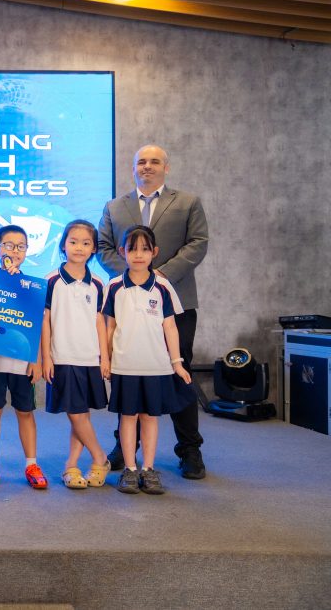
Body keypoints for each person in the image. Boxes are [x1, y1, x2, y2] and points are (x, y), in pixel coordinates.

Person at [98, 144, 209, 479]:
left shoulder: (188, 202)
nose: (147, 166)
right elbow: (103, 247)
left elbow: (198, 243)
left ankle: (189, 449)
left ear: (166, 167)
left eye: (155, 161)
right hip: (128, 303)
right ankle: (125, 449)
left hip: (176, 300)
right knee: (130, 372)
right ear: (133, 167)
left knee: (179, 371)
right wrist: (135, 276)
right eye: (141, 162)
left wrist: (159, 275)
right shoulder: (115, 206)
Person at [104, 226, 195, 495]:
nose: (139, 254)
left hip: (156, 366)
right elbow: (109, 327)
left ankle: (148, 468)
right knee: (128, 417)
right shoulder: (113, 287)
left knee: (150, 418)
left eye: (145, 249)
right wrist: (105, 359)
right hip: (124, 366)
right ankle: (130, 469)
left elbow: (171, 328)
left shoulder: (163, 286)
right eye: (132, 249)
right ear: (122, 252)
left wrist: (176, 362)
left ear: (154, 252)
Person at [41, 220, 111, 490]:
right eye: (73, 242)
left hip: (89, 357)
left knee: (81, 414)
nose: (79, 247)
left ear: (94, 248)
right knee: (75, 413)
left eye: (85, 243)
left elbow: (99, 321)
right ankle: (99, 457)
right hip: (63, 356)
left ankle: (72, 465)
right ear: (63, 245)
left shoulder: (98, 283)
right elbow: (45, 321)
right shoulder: (51, 280)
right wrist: (47, 357)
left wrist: (104, 357)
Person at [0, 225, 47, 490]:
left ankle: (31, 464)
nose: (14, 251)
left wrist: (36, 359)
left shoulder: (32, 287)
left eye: (21, 246)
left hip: (23, 361)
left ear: (26, 252)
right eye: (8, 245)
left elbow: (36, 326)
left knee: (25, 412)